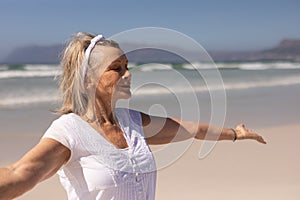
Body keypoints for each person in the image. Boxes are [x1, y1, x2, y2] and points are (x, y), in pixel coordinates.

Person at [0, 32, 266, 200]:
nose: (128, 74)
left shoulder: (133, 123)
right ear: (89, 79)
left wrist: (234, 133)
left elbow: (190, 128)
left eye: (127, 66)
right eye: (116, 68)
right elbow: (19, 173)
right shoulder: (69, 131)